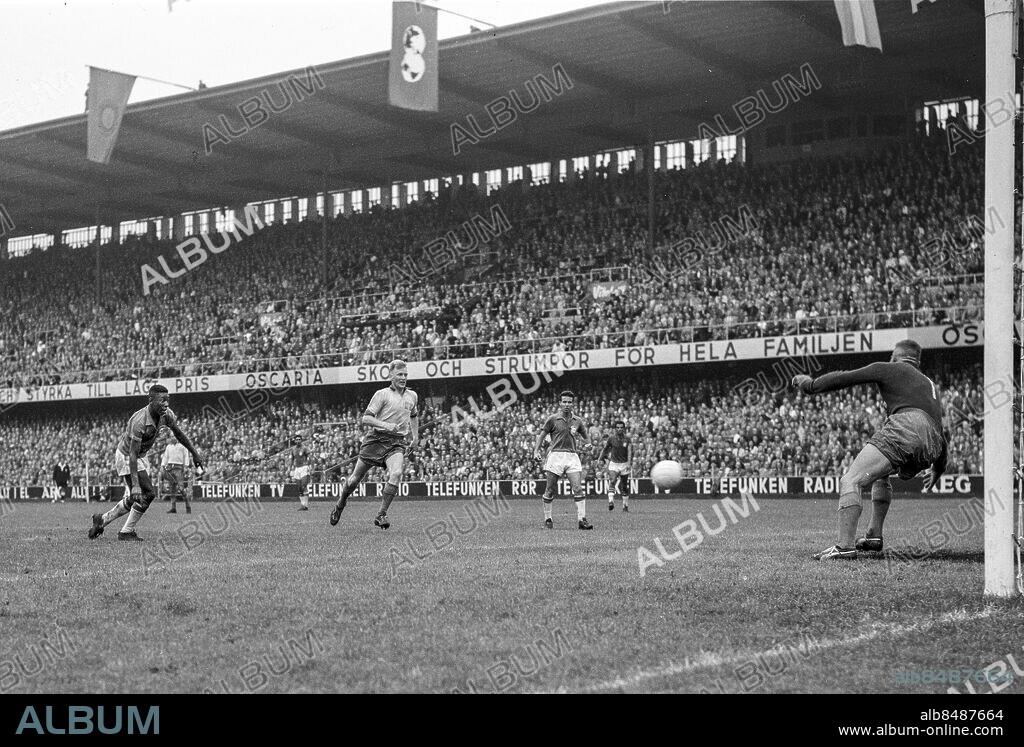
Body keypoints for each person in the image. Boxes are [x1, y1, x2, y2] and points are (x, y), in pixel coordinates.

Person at [792, 339, 947, 560]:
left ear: (895, 355)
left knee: (851, 480)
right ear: (918, 361)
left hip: (908, 426)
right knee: (880, 474)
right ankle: (874, 535)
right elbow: (940, 431)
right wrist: (939, 469)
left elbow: (845, 378)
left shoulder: (891, 367)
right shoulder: (930, 386)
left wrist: (810, 384)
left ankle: (844, 547)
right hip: (933, 443)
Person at [88, 385, 203, 541]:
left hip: (140, 456)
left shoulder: (166, 414)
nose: (166, 404)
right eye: (162, 400)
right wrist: (135, 484)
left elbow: (179, 434)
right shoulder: (139, 421)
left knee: (137, 497)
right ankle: (126, 532)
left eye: (168, 400)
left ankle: (102, 520)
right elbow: (132, 454)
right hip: (126, 456)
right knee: (146, 493)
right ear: (151, 400)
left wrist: (195, 453)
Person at [329, 360, 418, 530]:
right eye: (399, 374)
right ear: (390, 375)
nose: (403, 377)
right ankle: (340, 504)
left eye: (405, 374)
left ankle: (381, 514)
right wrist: (386, 425)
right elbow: (366, 418)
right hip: (376, 439)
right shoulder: (382, 394)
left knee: (397, 473)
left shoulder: (412, 396)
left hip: (396, 442)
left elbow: (413, 415)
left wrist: (415, 437)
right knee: (354, 479)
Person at [534, 390, 594, 530]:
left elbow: (585, 434)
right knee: (550, 490)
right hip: (556, 456)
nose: (567, 404)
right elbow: (542, 435)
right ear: (560, 403)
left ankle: (582, 520)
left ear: (573, 404)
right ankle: (548, 519)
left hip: (572, 456)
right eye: (564, 402)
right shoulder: (552, 419)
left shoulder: (577, 420)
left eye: (569, 402)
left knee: (578, 488)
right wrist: (536, 451)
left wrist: (588, 443)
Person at [600, 420, 632, 512]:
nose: (619, 429)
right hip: (614, 464)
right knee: (613, 480)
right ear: (615, 429)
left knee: (624, 486)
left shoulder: (627, 439)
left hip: (624, 464)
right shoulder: (611, 438)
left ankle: (625, 506)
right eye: (618, 427)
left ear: (624, 428)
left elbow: (629, 451)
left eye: (621, 427)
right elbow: (605, 449)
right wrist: (599, 459)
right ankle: (611, 502)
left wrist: (629, 463)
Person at [160, 433, 193, 514]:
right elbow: (165, 457)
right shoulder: (168, 447)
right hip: (170, 468)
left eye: (173, 436)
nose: (172, 438)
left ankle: (188, 506)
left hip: (179, 468)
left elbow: (186, 456)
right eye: (171, 436)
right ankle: (173, 508)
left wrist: (186, 466)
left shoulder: (182, 446)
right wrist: (162, 465)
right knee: (172, 489)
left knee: (181, 489)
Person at [292, 441, 312, 511]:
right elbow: (292, 459)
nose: (297, 440)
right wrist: (291, 468)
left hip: (304, 467)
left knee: (304, 485)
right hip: (297, 468)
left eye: (299, 439)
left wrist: (310, 465)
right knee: (299, 487)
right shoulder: (293, 449)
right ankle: (303, 505)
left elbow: (309, 457)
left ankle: (305, 505)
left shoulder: (304, 448)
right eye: (296, 439)